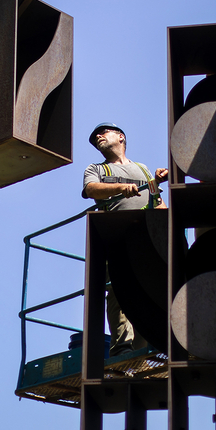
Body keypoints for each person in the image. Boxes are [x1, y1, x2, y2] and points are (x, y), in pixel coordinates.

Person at [81, 122, 169, 355]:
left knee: (155, 288)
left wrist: (169, 222)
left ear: (120, 137)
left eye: (103, 133)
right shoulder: (97, 169)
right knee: (120, 288)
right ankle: (123, 347)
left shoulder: (142, 168)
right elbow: (91, 189)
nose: (98, 136)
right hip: (119, 236)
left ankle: (153, 342)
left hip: (147, 236)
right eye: (94, 137)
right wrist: (122, 187)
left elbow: (156, 200)